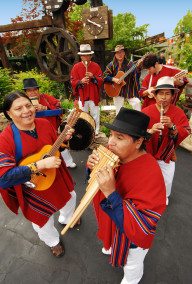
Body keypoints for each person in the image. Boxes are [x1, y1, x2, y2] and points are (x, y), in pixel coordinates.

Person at [87, 108, 166, 284]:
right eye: (111, 134)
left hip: (132, 238)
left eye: (119, 137)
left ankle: (132, 279)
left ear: (138, 142)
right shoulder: (114, 155)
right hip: (113, 221)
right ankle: (111, 244)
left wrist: (110, 192)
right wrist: (93, 168)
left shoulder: (151, 174)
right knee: (111, 244)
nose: (110, 143)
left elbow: (143, 224)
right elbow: (93, 184)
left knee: (131, 263)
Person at [0, 91, 77, 257]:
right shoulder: (5, 139)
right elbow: (4, 178)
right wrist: (39, 165)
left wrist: (63, 141)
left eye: (28, 105)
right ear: (8, 113)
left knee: (71, 198)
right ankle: (53, 242)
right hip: (33, 188)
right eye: (18, 108)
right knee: (41, 221)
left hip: (57, 177)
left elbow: (54, 148)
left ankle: (66, 218)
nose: (26, 111)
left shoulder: (43, 123)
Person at [142, 76, 190, 205]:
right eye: (161, 93)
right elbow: (137, 133)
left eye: (167, 94)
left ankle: (164, 196)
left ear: (172, 96)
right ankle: (147, 195)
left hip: (166, 152)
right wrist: (150, 131)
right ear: (155, 95)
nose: (164, 97)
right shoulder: (146, 111)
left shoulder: (178, 112)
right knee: (146, 177)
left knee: (167, 179)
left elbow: (186, 130)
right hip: (148, 152)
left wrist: (172, 126)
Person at [23, 78, 76, 168]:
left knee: (60, 144)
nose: (33, 92)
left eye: (35, 89)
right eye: (29, 91)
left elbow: (59, 108)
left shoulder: (46, 97)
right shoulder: (24, 103)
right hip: (36, 131)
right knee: (42, 150)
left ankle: (68, 161)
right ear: (26, 93)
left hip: (52, 127)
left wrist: (45, 108)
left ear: (38, 90)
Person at [70, 44, 103, 136]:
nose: (85, 57)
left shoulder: (96, 66)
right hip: (82, 95)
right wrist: (80, 81)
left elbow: (101, 80)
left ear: (90, 56)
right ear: (81, 56)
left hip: (93, 95)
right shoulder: (76, 67)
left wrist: (93, 77)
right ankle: (85, 132)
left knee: (95, 114)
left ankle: (96, 131)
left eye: (87, 55)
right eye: (83, 55)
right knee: (83, 114)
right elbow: (72, 81)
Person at [103, 45, 141, 115]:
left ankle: (138, 121)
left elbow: (136, 78)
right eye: (117, 53)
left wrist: (138, 69)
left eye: (121, 52)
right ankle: (119, 125)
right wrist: (113, 79)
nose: (119, 54)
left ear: (124, 53)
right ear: (115, 54)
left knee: (137, 103)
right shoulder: (111, 65)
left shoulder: (130, 64)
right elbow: (104, 76)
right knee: (119, 111)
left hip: (128, 90)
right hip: (116, 90)